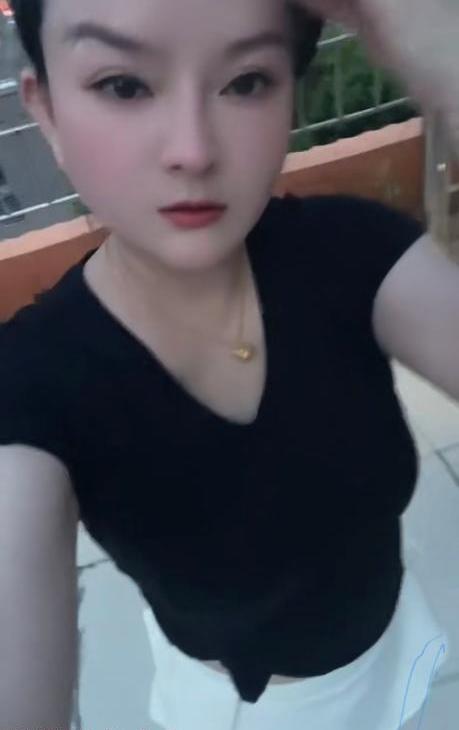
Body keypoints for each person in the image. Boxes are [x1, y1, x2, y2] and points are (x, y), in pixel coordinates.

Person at [0, 0, 458, 729]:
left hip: (388, 642)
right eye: (124, 85)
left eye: (246, 82)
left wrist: (448, 59)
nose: (193, 150)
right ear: (47, 110)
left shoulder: (352, 252)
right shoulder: (31, 386)